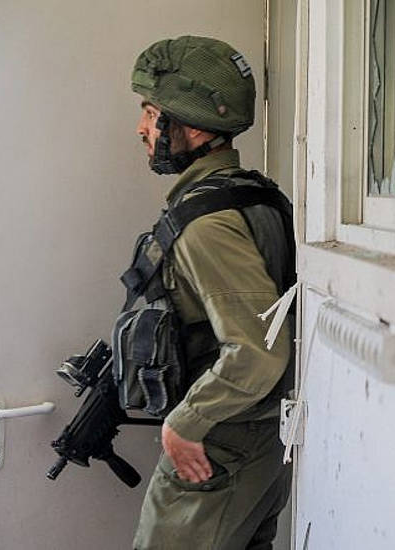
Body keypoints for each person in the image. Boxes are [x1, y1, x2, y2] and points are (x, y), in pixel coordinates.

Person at [127, 36, 294, 550]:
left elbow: (259, 350)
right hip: (250, 441)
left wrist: (185, 421)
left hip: (221, 445)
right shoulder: (254, 193)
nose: (141, 129)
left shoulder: (207, 221)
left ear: (191, 125)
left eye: (151, 114)